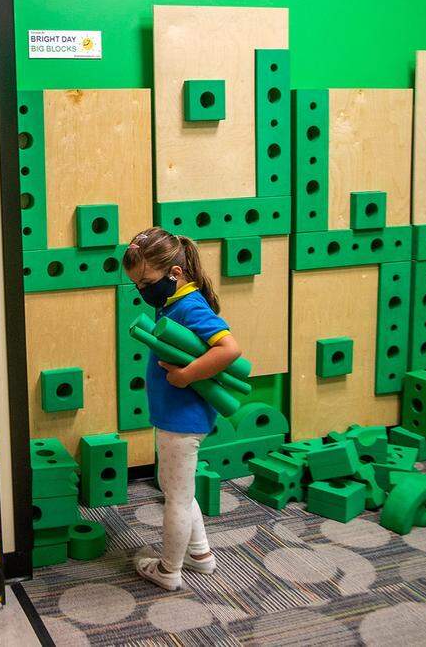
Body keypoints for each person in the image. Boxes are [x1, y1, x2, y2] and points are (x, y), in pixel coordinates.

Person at [122, 227, 242, 590]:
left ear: (175, 273)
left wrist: (187, 375)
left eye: (146, 282)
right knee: (178, 488)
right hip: (176, 416)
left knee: (174, 497)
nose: (142, 290)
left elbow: (229, 349)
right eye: (137, 285)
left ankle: (169, 570)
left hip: (182, 418)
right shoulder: (173, 302)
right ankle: (200, 555)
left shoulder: (190, 306)